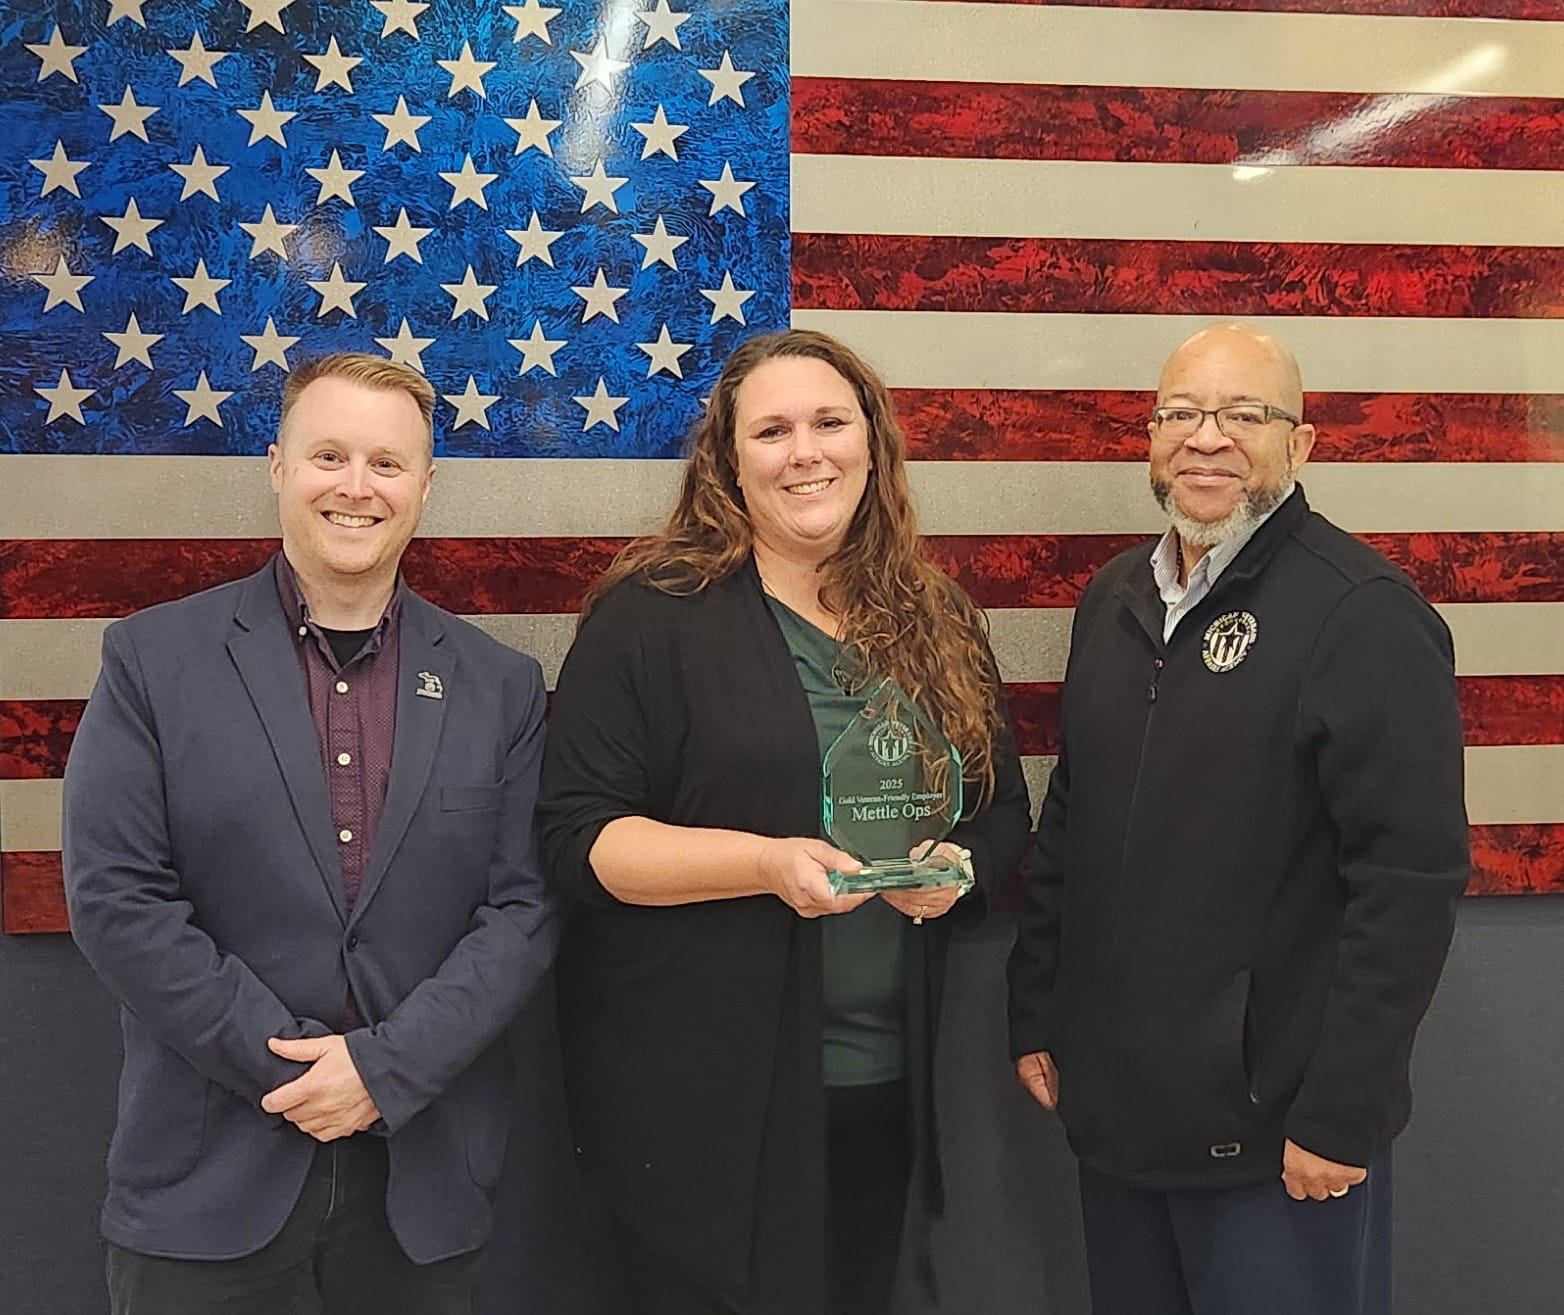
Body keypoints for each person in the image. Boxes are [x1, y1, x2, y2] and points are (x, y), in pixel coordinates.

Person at [537, 328, 1032, 1315]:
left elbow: (1002, 814)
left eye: (827, 422)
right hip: (699, 1106)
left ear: (872, 443)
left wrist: (959, 868)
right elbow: (578, 842)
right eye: (770, 430)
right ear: (727, 459)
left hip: (885, 1086)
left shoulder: (935, 615)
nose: (804, 451)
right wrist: (762, 863)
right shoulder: (651, 615)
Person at [63, 353, 557, 1315]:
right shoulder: (152, 659)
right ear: (278, 466)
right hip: (208, 1182)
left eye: (386, 462)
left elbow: (525, 907)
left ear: (424, 486)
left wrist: (385, 1067)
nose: (356, 486)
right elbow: (117, 899)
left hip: (422, 1186)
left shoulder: (501, 687)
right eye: (329, 454)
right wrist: (292, 1067)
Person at [1007, 323, 1469, 1315]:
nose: (1204, 438)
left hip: (1277, 1134)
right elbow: (1071, 820)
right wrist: (1038, 1005)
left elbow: (1408, 884)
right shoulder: (1113, 600)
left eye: (1242, 415)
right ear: (1148, 436)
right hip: (1120, 1116)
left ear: (1299, 445)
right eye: (1180, 412)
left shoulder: (1363, 613)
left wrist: (1343, 1111)